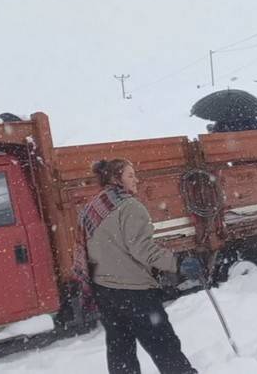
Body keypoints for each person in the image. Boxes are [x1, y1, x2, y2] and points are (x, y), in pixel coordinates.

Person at [78, 158, 201, 374]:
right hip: (135, 294)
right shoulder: (130, 207)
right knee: (164, 346)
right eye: (130, 175)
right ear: (116, 178)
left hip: (105, 292)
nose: (136, 180)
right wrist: (178, 263)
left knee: (120, 351)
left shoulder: (93, 206)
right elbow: (143, 249)